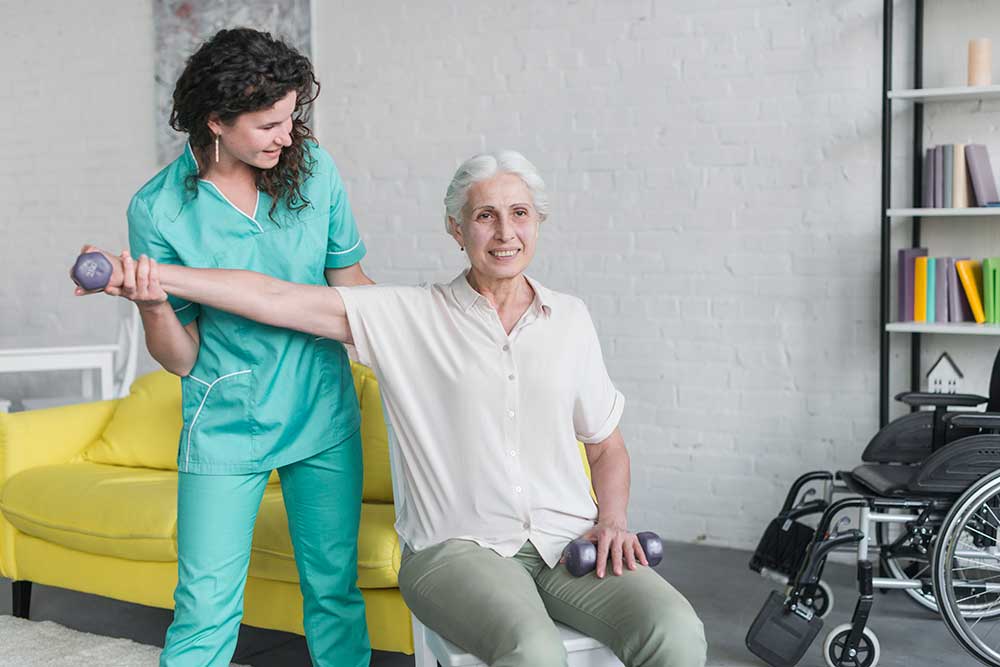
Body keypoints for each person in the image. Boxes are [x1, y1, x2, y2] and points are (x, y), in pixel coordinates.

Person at [80, 150, 707, 667]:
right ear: (456, 230)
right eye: (485, 216)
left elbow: (607, 445)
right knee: (533, 651)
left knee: (676, 630)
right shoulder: (410, 317)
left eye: (519, 214)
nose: (505, 232)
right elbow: (271, 296)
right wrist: (146, 277)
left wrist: (613, 520)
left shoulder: (570, 319)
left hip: (569, 541)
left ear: (538, 223)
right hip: (458, 551)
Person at [95, 27, 372, 667]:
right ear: (216, 121)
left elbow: (352, 289)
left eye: (292, 118)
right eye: (269, 124)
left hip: (321, 408)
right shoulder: (159, 210)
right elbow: (180, 358)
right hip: (225, 419)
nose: (287, 136)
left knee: (334, 592)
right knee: (204, 607)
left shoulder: (313, 169)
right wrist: (151, 301)